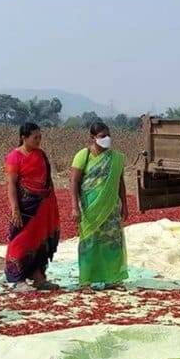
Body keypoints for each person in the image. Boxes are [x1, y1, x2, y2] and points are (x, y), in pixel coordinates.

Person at [70, 122, 129, 287]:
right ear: (93, 138)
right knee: (89, 242)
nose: (107, 139)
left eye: (108, 135)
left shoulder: (115, 158)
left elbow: (120, 182)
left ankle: (112, 278)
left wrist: (125, 204)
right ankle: (86, 281)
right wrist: (75, 207)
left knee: (112, 242)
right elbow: (74, 182)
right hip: (90, 207)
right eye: (103, 136)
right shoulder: (84, 155)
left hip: (111, 207)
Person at [5, 122, 61, 292]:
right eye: (35, 137)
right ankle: (18, 279)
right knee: (20, 241)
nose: (38, 140)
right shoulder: (14, 157)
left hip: (44, 206)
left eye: (40, 137)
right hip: (26, 206)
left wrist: (51, 204)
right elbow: (12, 185)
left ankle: (38, 277)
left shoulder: (41, 155)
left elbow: (47, 181)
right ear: (24, 137)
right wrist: (15, 209)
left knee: (40, 242)